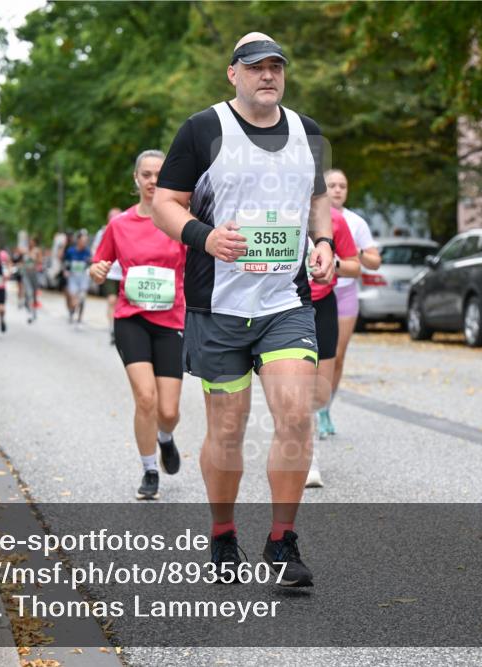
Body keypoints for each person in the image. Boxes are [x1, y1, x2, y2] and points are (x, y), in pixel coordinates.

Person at [153, 32, 335, 587]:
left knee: (296, 415)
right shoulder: (203, 129)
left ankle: (282, 544)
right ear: (233, 73)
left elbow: (317, 196)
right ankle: (223, 532)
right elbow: (165, 202)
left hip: (286, 301)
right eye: (256, 67)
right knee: (227, 431)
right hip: (218, 306)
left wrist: (323, 243)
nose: (268, 75)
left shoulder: (309, 133)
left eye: (276, 66)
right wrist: (204, 238)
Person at [91, 150, 186, 500]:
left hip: (171, 319)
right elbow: (99, 261)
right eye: (145, 174)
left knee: (169, 410)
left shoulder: (179, 221)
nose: (152, 180)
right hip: (131, 319)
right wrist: (97, 270)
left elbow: (199, 267)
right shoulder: (120, 225)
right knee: (145, 398)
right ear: (136, 179)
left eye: (159, 174)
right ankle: (149, 470)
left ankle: (165, 437)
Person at [321, 168, 382, 437]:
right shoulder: (309, 216)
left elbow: (373, 261)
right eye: (332, 185)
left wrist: (352, 251)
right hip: (315, 292)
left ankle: (324, 408)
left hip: (344, 292)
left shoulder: (355, 222)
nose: (337, 190)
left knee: (336, 356)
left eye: (342, 185)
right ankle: (309, 405)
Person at [305, 206, 360, 488]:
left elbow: (355, 265)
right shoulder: (278, 208)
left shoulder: (334, 220)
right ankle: (309, 456)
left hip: (324, 304)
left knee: (319, 390)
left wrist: (331, 262)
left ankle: (305, 435)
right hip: (287, 304)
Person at [95, 207, 124, 343]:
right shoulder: (102, 233)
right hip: (111, 273)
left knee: (122, 303)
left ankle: (121, 328)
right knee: (112, 300)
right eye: (112, 216)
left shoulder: (127, 229)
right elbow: (96, 252)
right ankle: (112, 329)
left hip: (126, 273)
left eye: (118, 216)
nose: (115, 219)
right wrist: (97, 266)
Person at [63, 230, 92, 330]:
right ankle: (72, 311)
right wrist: (66, 271)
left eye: (86, 241)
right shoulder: (71, 251)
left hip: (83, 277)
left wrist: (89, 264)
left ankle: (79, 319)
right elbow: (65, 262)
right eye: (83, 240)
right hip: (73, 277)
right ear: (78, 240)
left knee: (82, 298)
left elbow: (90, 263)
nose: (85, 242)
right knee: (74, 298)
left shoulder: (87, 251)